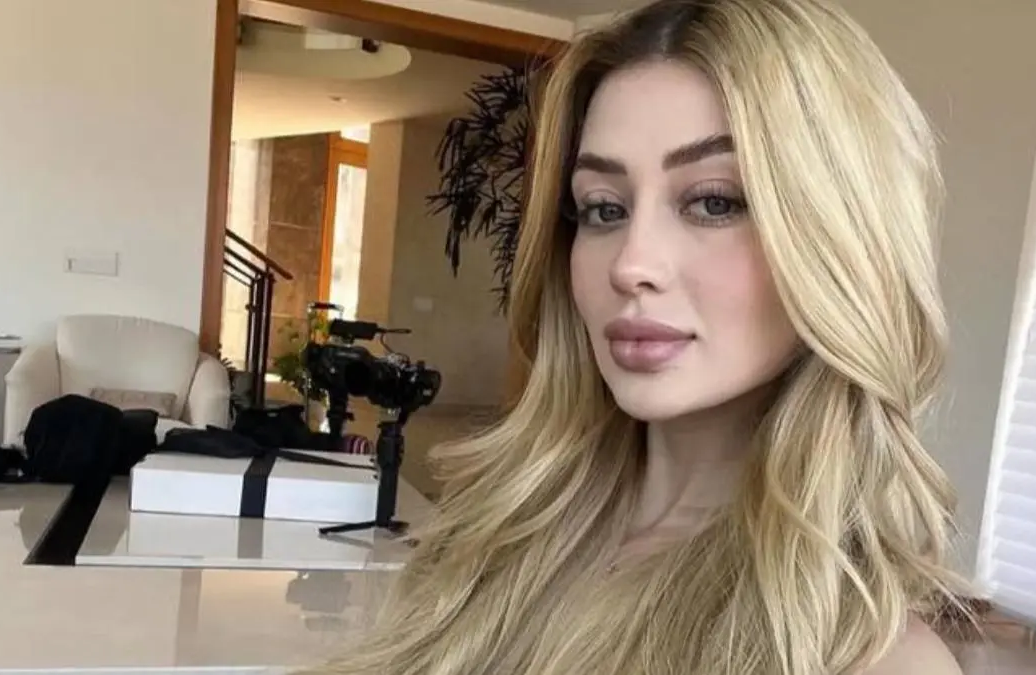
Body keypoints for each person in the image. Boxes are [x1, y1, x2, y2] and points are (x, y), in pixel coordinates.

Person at [312, 0, 968, 672]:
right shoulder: (495, 536)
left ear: (844, 240)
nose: (630, 264)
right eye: (604, 209)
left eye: (714, 200)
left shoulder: (870, 657)